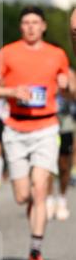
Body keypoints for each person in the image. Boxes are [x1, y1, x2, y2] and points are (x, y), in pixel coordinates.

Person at [0, 6, 70, 260]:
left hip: (46, 127)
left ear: (43, 26)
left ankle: (36, 250)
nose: (31, 27)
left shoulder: (57, 54)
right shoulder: (7, 53)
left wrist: (67, 85)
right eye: (26, 22)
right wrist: (11, 92)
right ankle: (35, 205)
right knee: (23, 196)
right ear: (21, 26)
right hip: (15, 129)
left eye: (35, 22)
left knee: (40, 187)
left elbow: (68, 87)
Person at [46, 69, 76, 221]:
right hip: (46, 123)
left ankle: (62, 199)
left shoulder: (68, 73)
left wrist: (66, 88)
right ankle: (49, 199)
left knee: (64, 165)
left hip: (65, 124)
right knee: (47, 164)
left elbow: (74, 94)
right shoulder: (43, 70)